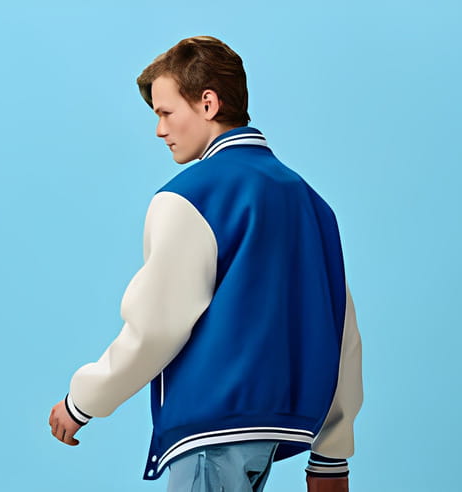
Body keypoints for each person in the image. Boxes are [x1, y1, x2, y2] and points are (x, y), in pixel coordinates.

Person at [48, 36, 363, 492]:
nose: (159, 130)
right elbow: (340, 332)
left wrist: (82, 401)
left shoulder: (190, 196)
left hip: (211, 433)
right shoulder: (312, 204)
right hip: (275, 432)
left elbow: (155, 327)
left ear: (208, 104)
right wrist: (332, 454)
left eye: (165, 112)